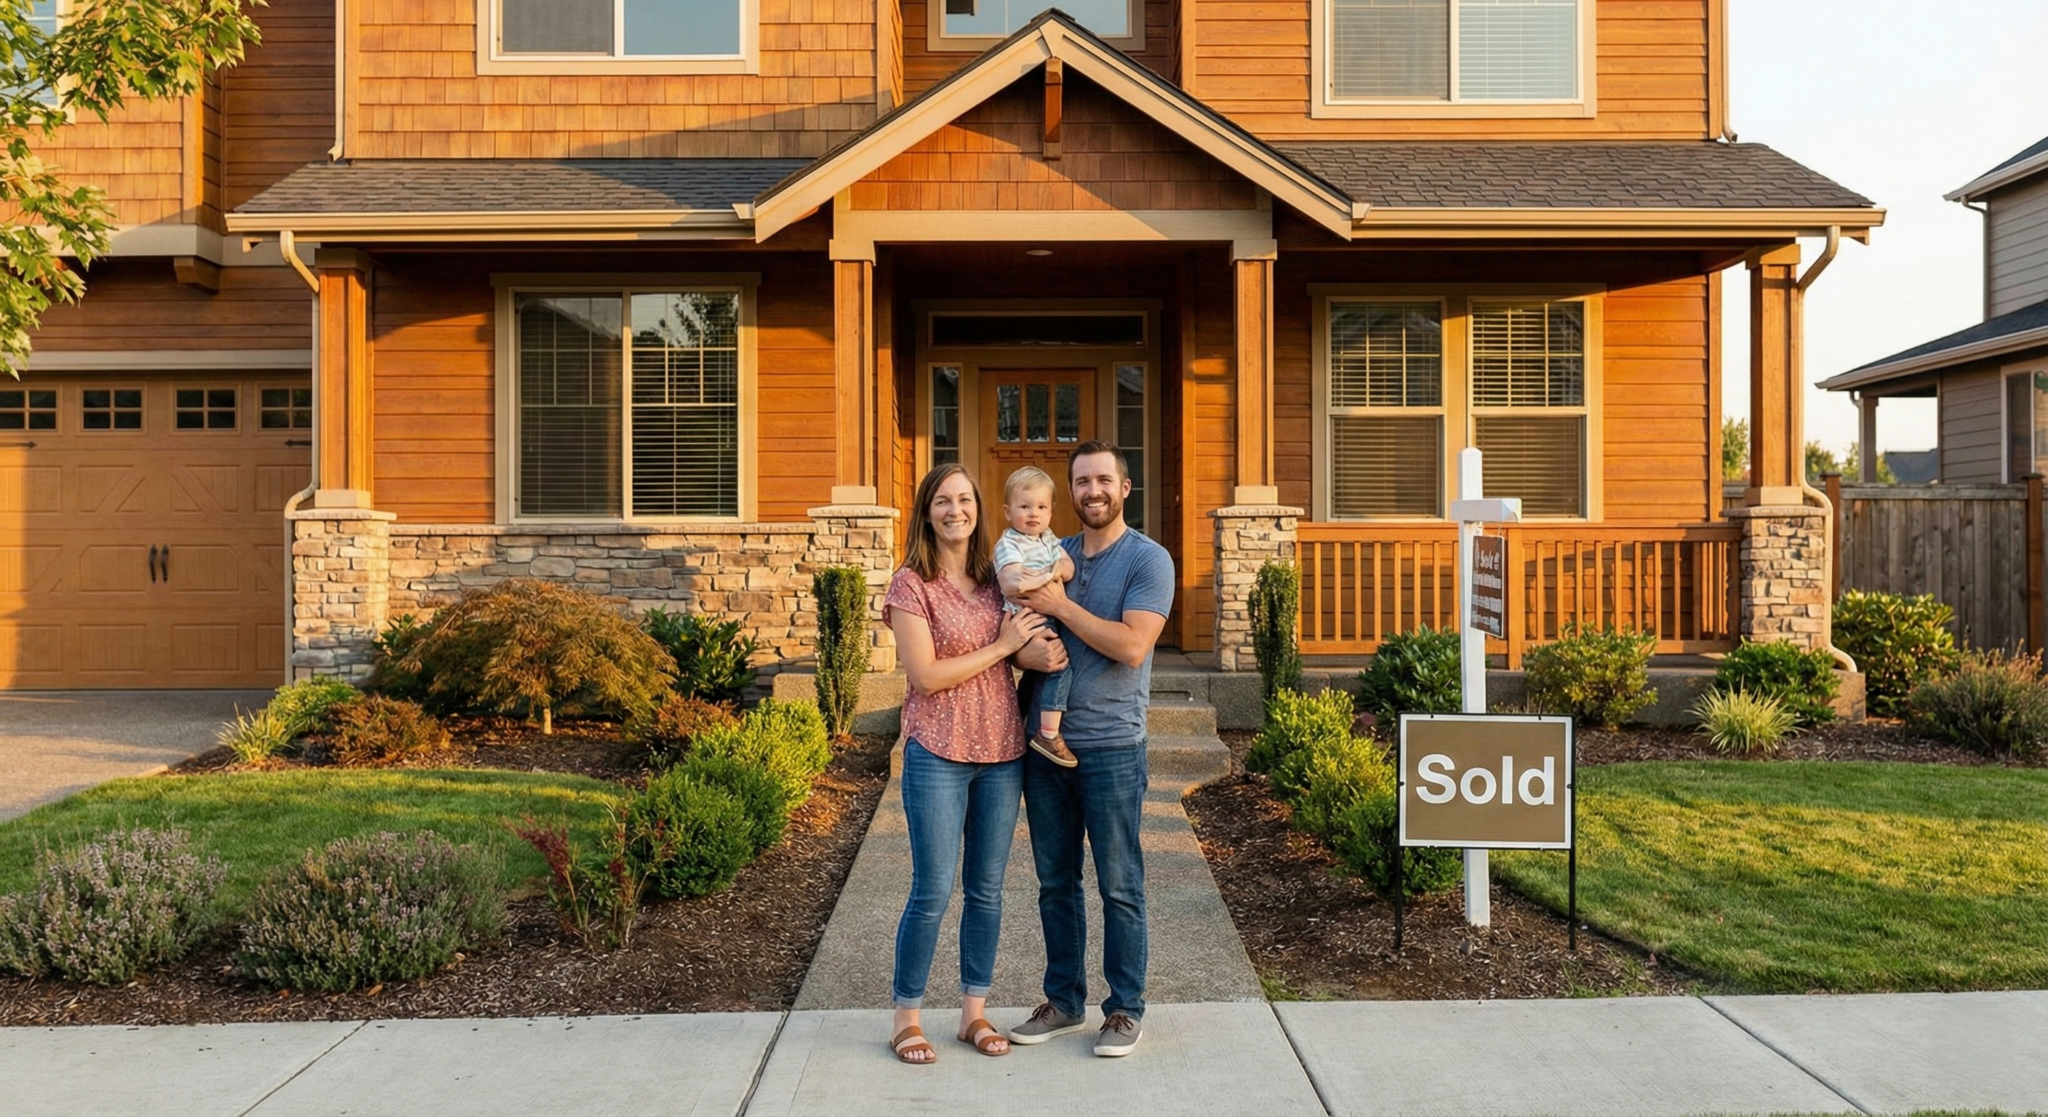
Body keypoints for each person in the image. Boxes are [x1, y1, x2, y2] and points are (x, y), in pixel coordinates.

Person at [881, 463, 1069, 1066]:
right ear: (926, 512)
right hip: (937, 751)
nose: (955, 510)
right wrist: (1005, 646)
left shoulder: (995, 579)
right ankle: (907, 1019)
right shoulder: (911, 584)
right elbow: (926, 676)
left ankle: (973, 1014)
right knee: (932, 889)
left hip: (1001, 754)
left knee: (986, 891)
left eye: (964, 499)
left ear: (979, 509)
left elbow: (1025, 643)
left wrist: (1036, 654)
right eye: (942, 500)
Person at [1005, 441, 1174, 1059]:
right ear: (1070, 492)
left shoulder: (1148, 560)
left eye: (1103, 479)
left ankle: (1125, 1009)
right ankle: (1064, 1001)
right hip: (1045, 748)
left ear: (1124, 487)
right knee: (1055, 882)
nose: (1092, 491)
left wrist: (1060, 605)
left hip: (1111, 746)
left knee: (1120, 884)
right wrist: (1028, 651)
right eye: (1081, 482)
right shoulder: (1052, 551)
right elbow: (1018, 634)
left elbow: (1131, 646)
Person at [994, 465, 1079, 769]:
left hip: (1045, 615)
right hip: (1027, 617)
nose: (1034, 514)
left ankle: (1014, 720)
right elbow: (1011, 582)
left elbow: (1068, 568)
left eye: (1042, 507)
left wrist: (1057, 570)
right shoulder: (1010, 543)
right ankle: (1048, 734)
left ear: (1051, 510)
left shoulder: (1049, 539)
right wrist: (1046, 579)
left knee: (1035, 675)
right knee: (1059, 667)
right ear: (1008, 511)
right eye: (1025, 507)